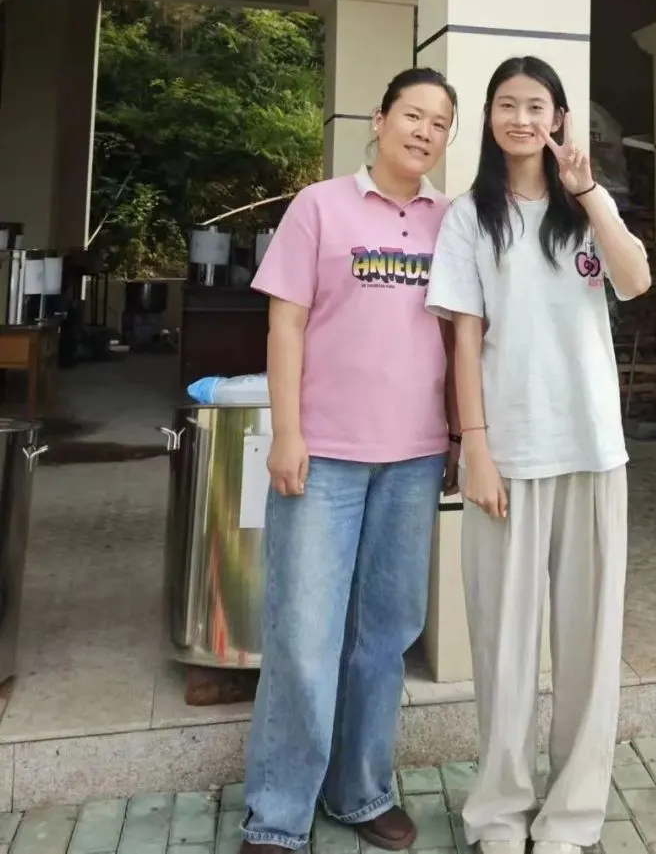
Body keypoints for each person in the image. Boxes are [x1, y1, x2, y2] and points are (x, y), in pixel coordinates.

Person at [426, 55, 651, 854]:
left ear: (558, 117)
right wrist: (474, 449)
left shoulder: (586, 206)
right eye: (505, 105)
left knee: (589, 649)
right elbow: (464, 340)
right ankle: (498, 813)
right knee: (502, 647)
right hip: (509, 457)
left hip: (592, 449)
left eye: (535, 105)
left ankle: (570, 818)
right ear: (489, 118)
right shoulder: (468, 217)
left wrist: (588, 192)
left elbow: (635, 280)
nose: (520, 118)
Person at [241, 67, 460, 854]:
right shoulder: (319, 205)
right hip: (324, 455)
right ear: (380, 118)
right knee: (303, 636)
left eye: (440, 122)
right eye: (412, 114)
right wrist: (287, 432)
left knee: (385, 637)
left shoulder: (452, 221)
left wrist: (461, 436)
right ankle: (277, 814)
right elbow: (285, 324)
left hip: (413, 459)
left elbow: (463, 336)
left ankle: (361, 790)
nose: (424, 131)